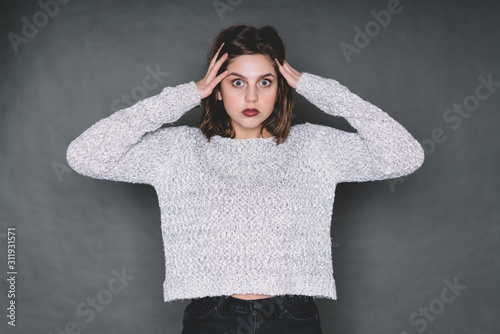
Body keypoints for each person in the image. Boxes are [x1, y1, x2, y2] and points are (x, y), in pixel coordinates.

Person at [66, 24, 425, 333]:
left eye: (265, 82)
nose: (251, 96)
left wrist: (322, 90)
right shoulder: (178, 151)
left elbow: (405, 156)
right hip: (211, 317)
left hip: (293, 318)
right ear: (218, 90)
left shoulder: (314, 147)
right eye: (237, 82)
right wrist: (185, 95)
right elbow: (85, 155)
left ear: (280, 88)